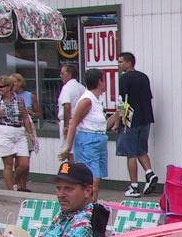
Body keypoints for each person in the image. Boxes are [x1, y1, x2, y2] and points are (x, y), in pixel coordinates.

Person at [61, 68, 115, 202]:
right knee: (92, 179)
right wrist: (68, 148)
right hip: (88, 140)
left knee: (97, 177)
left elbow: (104, 125)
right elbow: (73, 123)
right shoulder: (86, 100)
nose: (105, 84)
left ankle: (92, 204)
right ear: (100, 81)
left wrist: (118, 114)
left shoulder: (97, 101)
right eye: (104, 80)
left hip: (99, 138)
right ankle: (88, 207)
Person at [112, 51, 159, 197]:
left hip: (130, 120)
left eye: (121, 62)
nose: (119, 65)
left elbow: (122, 102)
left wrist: (117, 122)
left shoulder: (125, 78)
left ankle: (134, 186)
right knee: (141, 150)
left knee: (130, 153)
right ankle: (150, 173)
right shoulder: (144, 77)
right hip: (146, 118)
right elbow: (149, 97)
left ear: (129, 63)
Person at [0, 75, 30, 191]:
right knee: (8, 164)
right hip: (4, 130)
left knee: (24, 164)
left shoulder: (19, 100)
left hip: (19, 130)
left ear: (9, 87)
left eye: (2, 86)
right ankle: (11, 191)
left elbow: (25, 117)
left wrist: (30, 134)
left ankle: (15, 181)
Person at [10, 73, 41, 191]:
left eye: (14, 82)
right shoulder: (10, 97)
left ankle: (24, 185)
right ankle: (17, 183)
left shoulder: (30, 96)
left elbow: (38, 113)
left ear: (20, 82)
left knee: (26, 157)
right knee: (17, 159)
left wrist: (31, 112)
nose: (12, 85)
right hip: (15, 127)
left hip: (28, 126)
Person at [57, 64, 86, 143]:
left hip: (69, 121)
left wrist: (66, 126)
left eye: (62, 73)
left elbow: (67, 106)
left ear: (69, 75)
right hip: (80, 123)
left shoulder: (66, 87)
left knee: (65, 147)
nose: (60, 75)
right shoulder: (82, 88)